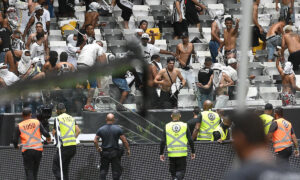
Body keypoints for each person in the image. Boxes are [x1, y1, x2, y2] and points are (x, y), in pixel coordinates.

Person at [225, 111, 300, 180]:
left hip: (280, 149)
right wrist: (296, 149)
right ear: (264, 140)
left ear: (238, 141)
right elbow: (293, 137)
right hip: (289, 148)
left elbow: (270, 135)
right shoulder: (295, 174)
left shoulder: (239, 176)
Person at [12, 107, 51, 180]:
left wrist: (16, 146)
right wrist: (48, 138)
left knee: (29, 171)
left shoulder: (19, 126)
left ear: (22, 115)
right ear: (31, 114)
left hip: (27, 151)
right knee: (35, 171)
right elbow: (45, 133)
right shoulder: (37, 122)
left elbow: (14, 140)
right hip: (38, 150)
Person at [160, 110, 195, 180]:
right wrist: (193, 151)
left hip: (171, 154)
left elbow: (163, 141)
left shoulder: (167, 126)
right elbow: (190, 139)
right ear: (180, 116)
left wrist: (161, 153)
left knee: (173, 173)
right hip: (182, 154)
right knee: (181, 172)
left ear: (171, 116)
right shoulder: (184, 125)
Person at [94, 113, 130, 180]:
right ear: (113, 120)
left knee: (103, 171)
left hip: (104, 153)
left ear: (106, 119)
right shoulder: (118, 129)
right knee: (116, 172)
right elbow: (124, 141)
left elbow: (95, 141)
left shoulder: (101, 129)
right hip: (115, 153)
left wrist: (98, 148)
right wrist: (128, 150)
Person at [52, 103, 81, 180]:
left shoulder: (57, 119)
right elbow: (78, 130)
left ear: (57, 110)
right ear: (65, 110)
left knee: (55, 168)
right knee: (65, 168)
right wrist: (72, 138)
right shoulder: (72, 118)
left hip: (64, 147)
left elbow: (54, 132)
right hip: (73, 147)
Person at [77, 40, 106, 111]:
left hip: (79, 64)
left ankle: (79, 101)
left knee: (81, 84)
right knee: (93, 85)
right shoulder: (99, 48)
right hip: (87, 65)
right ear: (101, 45)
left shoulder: (87, 46)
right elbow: (101, 62)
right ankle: (88, 105)